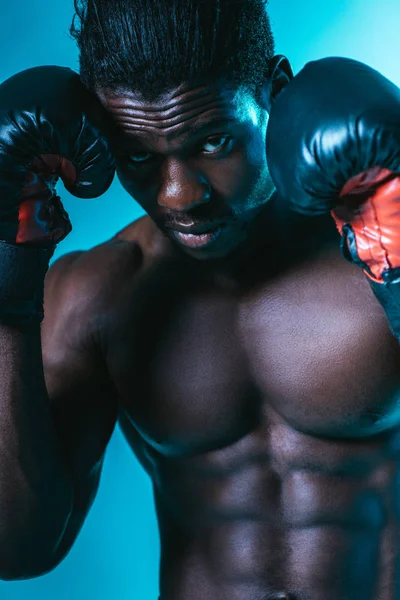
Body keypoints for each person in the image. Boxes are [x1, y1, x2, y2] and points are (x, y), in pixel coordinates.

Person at [0, 1, 399, 599]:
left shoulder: (379, 255)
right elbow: (20, 550)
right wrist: (8, 299)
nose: (180, 195)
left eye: (214, 141)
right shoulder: (96, 298)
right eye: (138, 156)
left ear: (276, 94)